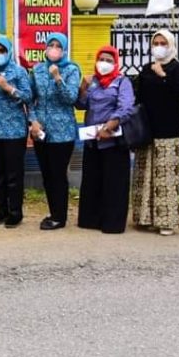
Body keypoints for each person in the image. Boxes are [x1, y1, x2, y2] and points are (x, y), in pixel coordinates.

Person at [132, 29, 179, 236]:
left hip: (169, 130)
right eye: (155, 43)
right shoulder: (147, 68)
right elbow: (139, 96)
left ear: (171, 45)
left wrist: (163, 75)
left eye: (163, 43)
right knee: (145, 175)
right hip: (147, 129)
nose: (158, 47)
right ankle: (144, 217)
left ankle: (167, 221)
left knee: (165, 177)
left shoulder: (177, 68)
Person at [76, 45, 135, 234]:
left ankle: (112, 223)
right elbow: (81, 105)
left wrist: (110, 125)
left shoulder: (122, 81)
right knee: (92, 181)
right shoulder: (92, 81)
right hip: (93, 140)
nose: (104, 63)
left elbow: (126, 106)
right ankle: (91, 219)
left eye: (109, 60)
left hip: (113, 140)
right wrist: (82, 89)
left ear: (116, 63)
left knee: (114, 183)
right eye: (101, 59)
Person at [28, 33, 81, 230]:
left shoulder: (72, 69)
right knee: (47, 175)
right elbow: (31, 99)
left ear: (64, 49)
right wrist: (32, 121)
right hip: (41, 132)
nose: (54, 48)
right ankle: (53, 212)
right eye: (51, 45)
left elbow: (71, 98)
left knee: (58, 174)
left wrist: (58, 78)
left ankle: (60, 217)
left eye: (59, 45)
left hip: (63, 132)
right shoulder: (37, 70)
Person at [0, 36, 33, 228]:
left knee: (14, 174)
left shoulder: (19, 72)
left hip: (14, 131)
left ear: (9, 51)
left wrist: (8, 88)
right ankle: (1, 209)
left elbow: (28, 96)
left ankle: (15, 211)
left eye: (1, 51)